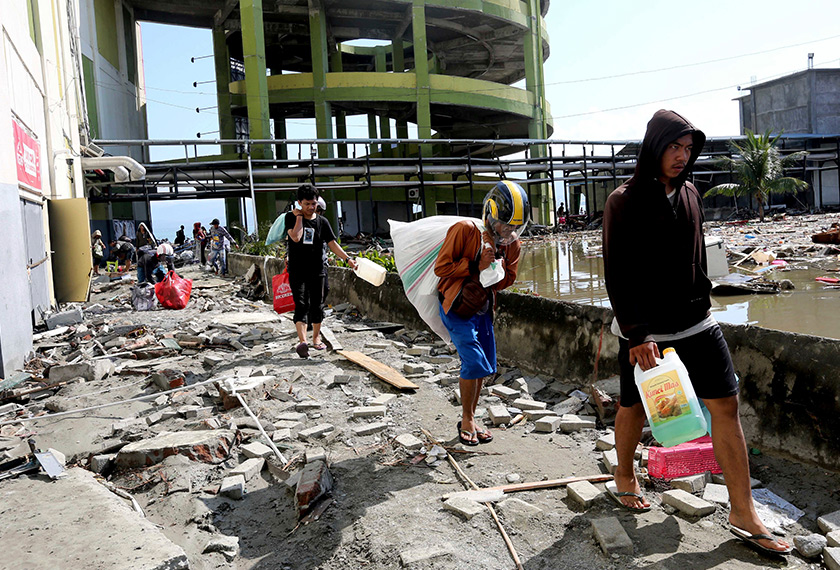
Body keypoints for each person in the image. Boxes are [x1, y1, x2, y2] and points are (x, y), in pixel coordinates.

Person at [603, 109, 791, 555]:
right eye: (674, 147)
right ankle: (625, 474)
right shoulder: (623, 201)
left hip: (697, 321)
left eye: (688, 149)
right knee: (634, 406)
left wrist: (704, 294)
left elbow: (697, 257)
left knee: (726, 403)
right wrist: (638, 334)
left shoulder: (690, 193)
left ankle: (743, 511)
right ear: (654, 147)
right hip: (646, 331)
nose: (681, 157)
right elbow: (617, 273)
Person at [434, 181, 526, 446]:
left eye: (514, 227)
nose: (509, 231)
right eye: (504, 225)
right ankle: (466, 418)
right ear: (490, 215)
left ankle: (472, 418)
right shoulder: (465, 230)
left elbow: (508, 279)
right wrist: (476, 264)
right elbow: (442, 268)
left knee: (484, 367)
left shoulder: (512, 245)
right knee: (474, 363)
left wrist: (497, 268)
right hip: (456, 306)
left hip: (483, 310)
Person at [286, 184, 356, 358]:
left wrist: (347, 259)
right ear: (299, 202)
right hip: (297, 269)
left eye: (314, 204)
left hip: (317, 268)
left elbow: (332, 244)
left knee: (317, 304)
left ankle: (316, 338)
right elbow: (296, 237)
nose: (311, 207)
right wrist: (299, 218)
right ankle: (303, 342)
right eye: (307, 204)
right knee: (301, 304)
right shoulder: (290, 217)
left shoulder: (322, 222)